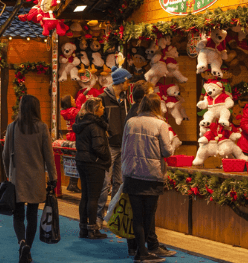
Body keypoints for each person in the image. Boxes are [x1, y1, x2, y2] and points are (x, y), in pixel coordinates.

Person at [121, 94, 177, 262]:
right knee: (149, 215)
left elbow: (124, 147)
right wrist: (175, 143)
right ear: (157, 107)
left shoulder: (130, 122)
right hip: (151, 175)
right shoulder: (161, 124)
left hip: (132, 173)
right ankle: (145, 252)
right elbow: (167, 152)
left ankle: (140, 251)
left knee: (137, 216)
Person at [3, 95, 58, 263]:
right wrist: (53, 177)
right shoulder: (42, 128)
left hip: (17, 177)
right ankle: (28, 250)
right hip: (36, 177)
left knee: (18, 214)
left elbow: (5, 155)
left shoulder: (12, 127)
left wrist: (8, 174)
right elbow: (49, 155)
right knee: (32, 214)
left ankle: (22, 243)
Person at [97, 66, 133, 224]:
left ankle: (113, 216)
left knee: (119, 182)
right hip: (110, 145)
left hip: (123, 145)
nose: (128, 84)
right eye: (127, 81)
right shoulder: (103, 99)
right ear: (121, 81)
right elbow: (99, 120)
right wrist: (108, 134)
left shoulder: (126, 99)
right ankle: (98, 215)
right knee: (105, 182)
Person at [73, 98, 111, 239]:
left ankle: (83, 228)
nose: (103, 109)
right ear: (95, 109)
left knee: (85, 196)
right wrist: (107, 159)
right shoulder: (96, 125)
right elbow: (98, 147)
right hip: (94, 163)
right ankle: (92, 229)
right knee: (93, 197)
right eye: (101, 107)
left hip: (81, 161)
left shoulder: (81, 122)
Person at [60, 93, 87, 193]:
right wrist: (79, 100)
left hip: (69, 136)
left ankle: (72, 183)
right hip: (75, 137)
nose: (74, 100)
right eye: (72, 99)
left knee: (72, 161)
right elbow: (81, 113)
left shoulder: (65, 112)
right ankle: (73, 183)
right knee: (76, 161)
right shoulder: (73, 111)